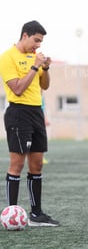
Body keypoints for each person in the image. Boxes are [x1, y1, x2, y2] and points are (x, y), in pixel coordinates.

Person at [0, 20, 59, 226]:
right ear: (25, 35)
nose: (38, 45)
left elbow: (44, 85)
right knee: (17, 165)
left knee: (37, 165)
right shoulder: (7, 57)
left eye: (41, 42)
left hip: (36, 113)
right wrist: (35, 66)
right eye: (36, 40)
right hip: (18, 113)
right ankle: (11, 213)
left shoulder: (35, 57)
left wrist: (46, 68)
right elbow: (17, 89)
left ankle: (36, 214)